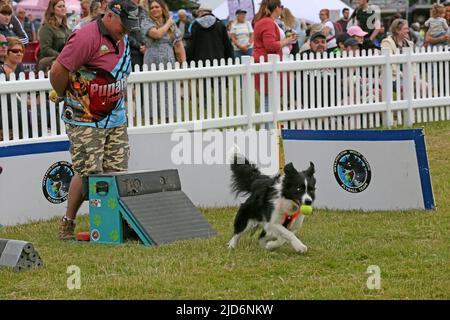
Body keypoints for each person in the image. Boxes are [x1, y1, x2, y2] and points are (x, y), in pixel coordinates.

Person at [49, 0, 139, 240]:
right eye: (124, 25)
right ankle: (68, 223)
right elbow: (58, 71)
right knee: (88, 172)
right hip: (85, 117)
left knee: (116, 170)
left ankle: (112, 226)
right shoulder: (85, 37)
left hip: (115, 115)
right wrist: (63, 94)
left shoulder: (123, 35)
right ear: (108, 15)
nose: (127, 30)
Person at [141, 0, 185, 121]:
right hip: (152, 60)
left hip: (168, 59)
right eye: (152, 8)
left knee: (169, 88)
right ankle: (152, 118)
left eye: (157, 7)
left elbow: (179, 44)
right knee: (152, 89)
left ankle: (168, 117)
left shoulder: (171, 24)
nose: (154, 9)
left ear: (162, 8)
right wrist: (169, 23)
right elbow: (157, 34)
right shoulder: (146, 22)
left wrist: (183, 62)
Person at [37, 0, 71, 74]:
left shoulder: (66, 29)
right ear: (52, 10)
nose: (63, 8)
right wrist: (62, 56)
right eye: (59, 6)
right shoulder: (46, 28)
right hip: (49, 64)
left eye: (63, 6)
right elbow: (45, 49)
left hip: (66, 62)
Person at [127, 0, 147, 69]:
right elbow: (125, 34)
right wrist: (139, 46)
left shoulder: (145, 12)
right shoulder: (124, 13)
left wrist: (147, 46)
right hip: (133, 52)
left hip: (148, 50)